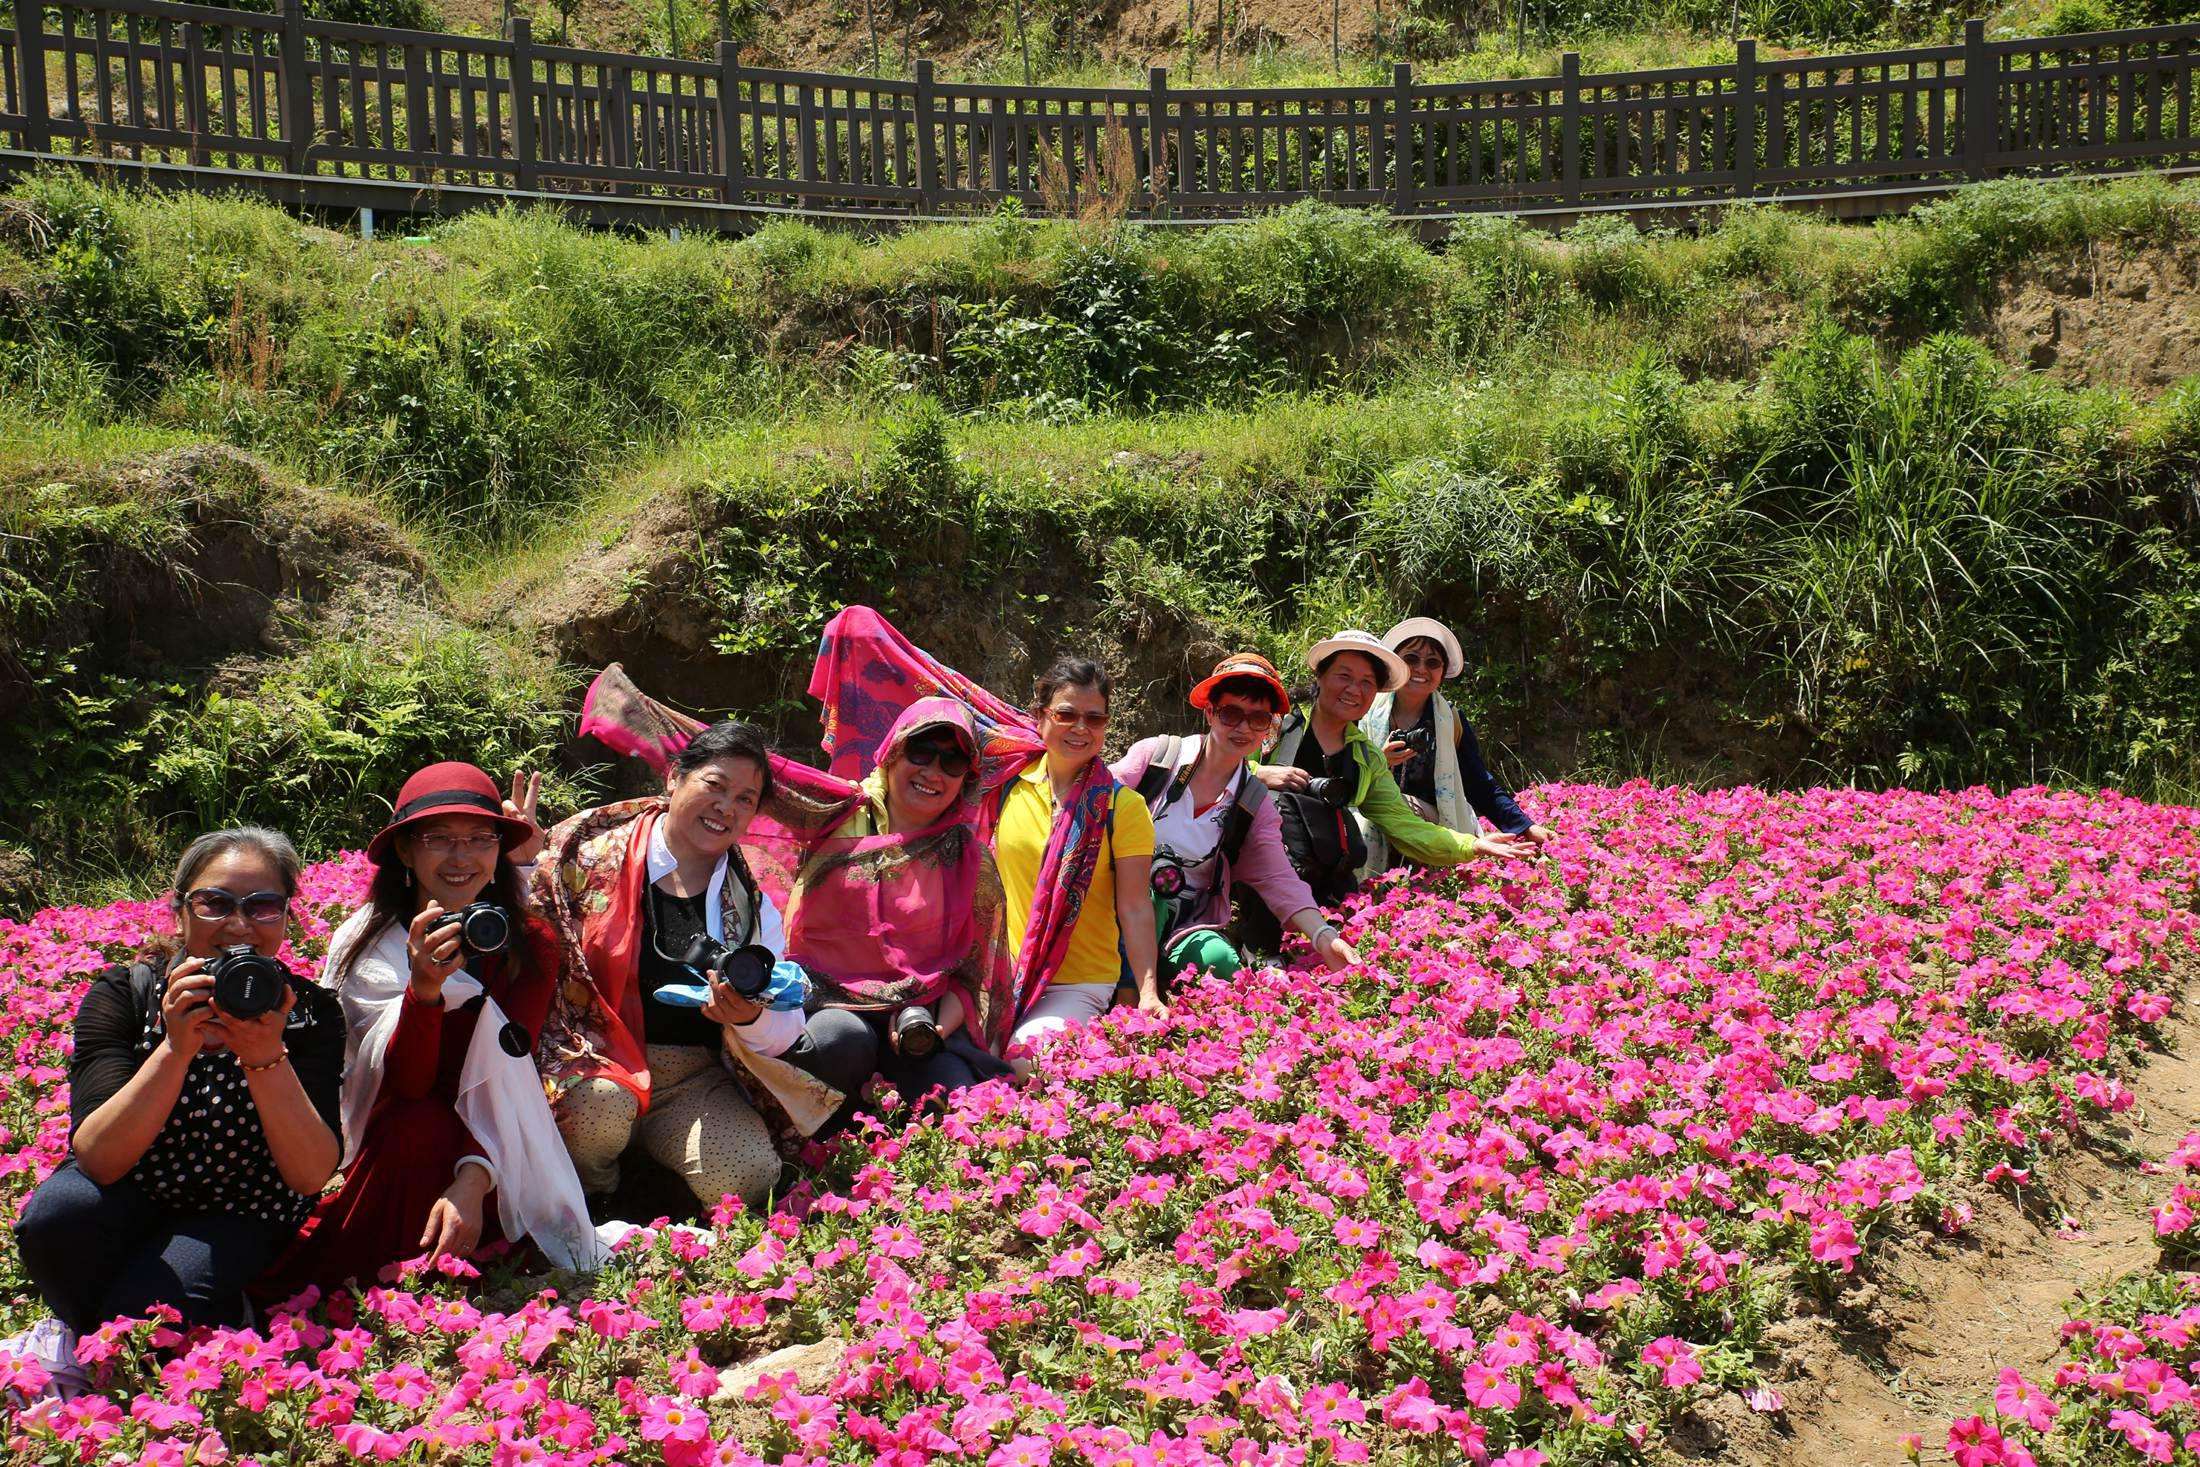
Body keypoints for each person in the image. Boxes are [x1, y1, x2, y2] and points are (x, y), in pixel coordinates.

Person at [578, 670, 1021, 1114]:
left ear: (966, 779)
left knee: (963, 1103)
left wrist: (936, 1032)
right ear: (890, 754)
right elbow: (741, 771)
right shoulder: (838, 812)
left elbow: (972, 974)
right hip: (828, 1004)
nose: (933, 772)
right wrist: (630, 708)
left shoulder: (969, 859)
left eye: (953, 763)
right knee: (837, 1044)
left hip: (922, 1022)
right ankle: (829, 1135)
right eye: (921, 752)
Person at [255, 764, 599, 1301]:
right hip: (402, 1140)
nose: (461, 858)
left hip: (492, 1145)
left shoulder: (529, 943)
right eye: (437, 839)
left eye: (480, 839)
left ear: (499, 851)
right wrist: (424, 991)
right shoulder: (368, 945)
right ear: (406, 852)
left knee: (437, 1133)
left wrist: (474, 1176)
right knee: (418, 1124)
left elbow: (508, 1076)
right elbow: (407, 1088)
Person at [13, 828, 343, 1344]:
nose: (239, 924)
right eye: (215, 903)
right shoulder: (125, 994)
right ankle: (122, 1324)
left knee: (145, 1315)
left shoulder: (309, 1014)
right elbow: (99, 1159)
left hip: (241, 1208)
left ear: (286, 917)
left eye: (263, 906)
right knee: (55, 1220)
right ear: (180, 909)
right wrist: (174, 1049)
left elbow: (308, 1175)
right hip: (134, 1187)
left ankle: (97, 1329)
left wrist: (264, 1057)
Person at [531, 721, 872, 1213]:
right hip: (595, 1053)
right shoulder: (587, 855)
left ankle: (651, 1173)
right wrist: (522, 866)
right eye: (715, 786)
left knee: (750, 1176)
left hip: (689, 1075)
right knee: (597, 1112)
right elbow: (532, 934)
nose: (726, 808)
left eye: (745, 800)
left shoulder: (752, 905)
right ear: (674, 777)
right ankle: (599, 1194)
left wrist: (746, 1017)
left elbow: (786, 1028)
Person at [800, 609, 1162, 1062]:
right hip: (987, 975)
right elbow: (926, 734)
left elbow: (1134, 905)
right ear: (1041, 717)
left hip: (1074, 982)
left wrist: (1147, 990)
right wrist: (863, 632)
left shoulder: (1121, 808)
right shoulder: (1000, 778)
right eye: (1067, 714)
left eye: (1095, 719)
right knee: (946, 1066)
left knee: (1022, 1065)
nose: (1081, 729)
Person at [1251, 630, 1533, 921]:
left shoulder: (1366, 757)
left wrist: (1471, 844)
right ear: (1320, 676)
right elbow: (1209, 763)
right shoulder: (1273, 725)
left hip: (1315, 873)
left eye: (1367, 682)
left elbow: (1402, 823)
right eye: (1343, 676)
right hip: (1254, 863)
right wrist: (1258, 774)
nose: (1354, 690)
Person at [1115, 652, 1361, 985]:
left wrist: (1323, 936)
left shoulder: (1253, 803)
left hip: (1185, 923)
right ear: (1210, 713)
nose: (1243, 727)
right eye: (1231, 713)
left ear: (1269, 728)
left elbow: (1279, 877)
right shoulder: (1159, 759)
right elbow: (1097, 799)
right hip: (1116, 904)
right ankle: (1131, 986)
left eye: (1258, 718)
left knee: (1220, 963)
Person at [1359, 616, 1555, 875]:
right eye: (1411, 659)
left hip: (1434, 822)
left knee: (1401, 805)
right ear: (1395, 663)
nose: (1421, 669)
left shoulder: (1449, 720)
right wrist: (1379, 762)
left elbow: (1478, 782)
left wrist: (1524, 826)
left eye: (1432, 663)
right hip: (1373, 815)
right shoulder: (1364, 712)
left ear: (1442, 672)